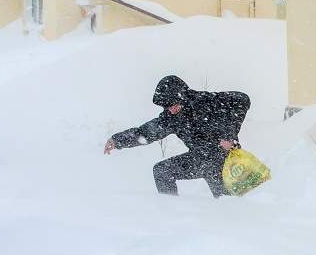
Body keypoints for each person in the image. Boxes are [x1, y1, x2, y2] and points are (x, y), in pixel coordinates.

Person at [104, 75, 250, 198]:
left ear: (182, 96)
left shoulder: (205, 100)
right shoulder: (172, 118)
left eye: (173, 104)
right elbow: (145, 133)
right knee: (162, 171)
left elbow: (242, 99)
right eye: (167, 106)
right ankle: (172, 212)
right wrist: (117, 140)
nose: (171, 109)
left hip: (225, 160)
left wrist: (229, 135)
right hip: (199, 159)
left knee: (228, 205)